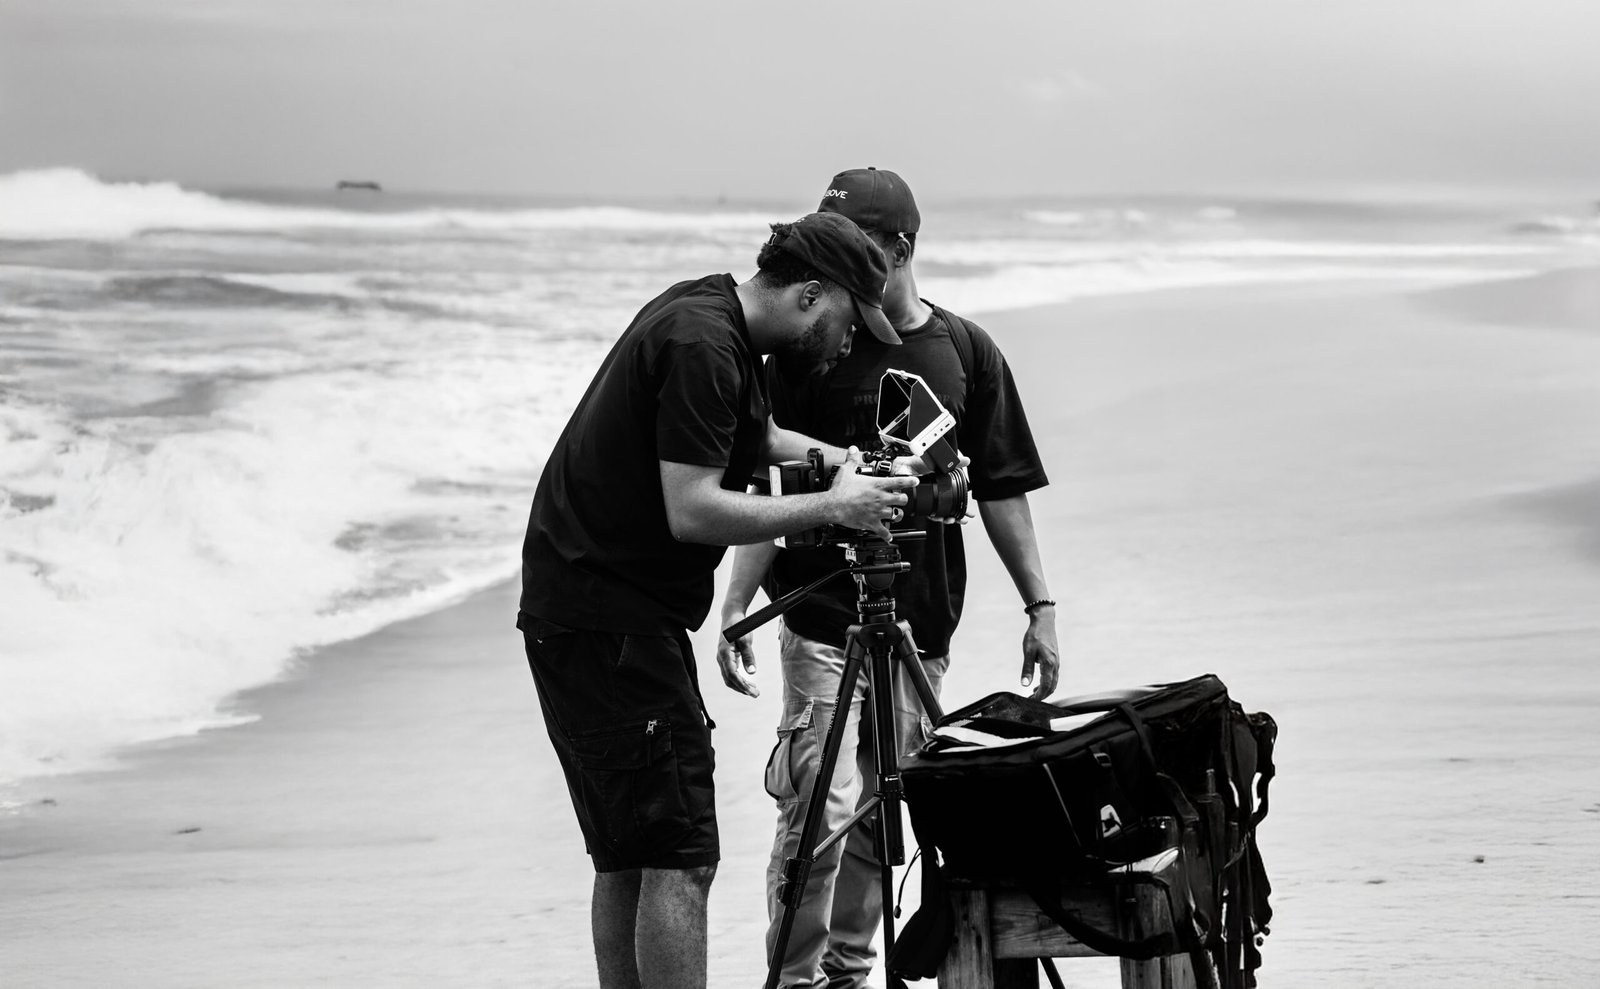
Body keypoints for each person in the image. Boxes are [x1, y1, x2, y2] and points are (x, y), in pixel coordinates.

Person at [518, 211, 924, 989]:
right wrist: (834, 507)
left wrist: (856, 464)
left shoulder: (711, 313)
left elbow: (760, 439)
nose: (848, 344)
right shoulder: (704, 346)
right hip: (613, 624)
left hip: (583, 614)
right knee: (680, 858)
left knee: (630, 854)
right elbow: (693, 508)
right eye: (848, 322)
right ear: (811, 294)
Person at [715, 168, 1060, 989]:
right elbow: (769, 485)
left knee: (885, 809)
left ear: (900, 249)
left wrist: (1040, 606)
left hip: (921, 625)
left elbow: (1003, 487)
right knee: (819, 810)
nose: (833, 261)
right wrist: (735, 602)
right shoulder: (810, 340)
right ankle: (797, 981)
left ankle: (850, 972)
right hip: (820, 618)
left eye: (857, 246)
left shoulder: (967, 350)